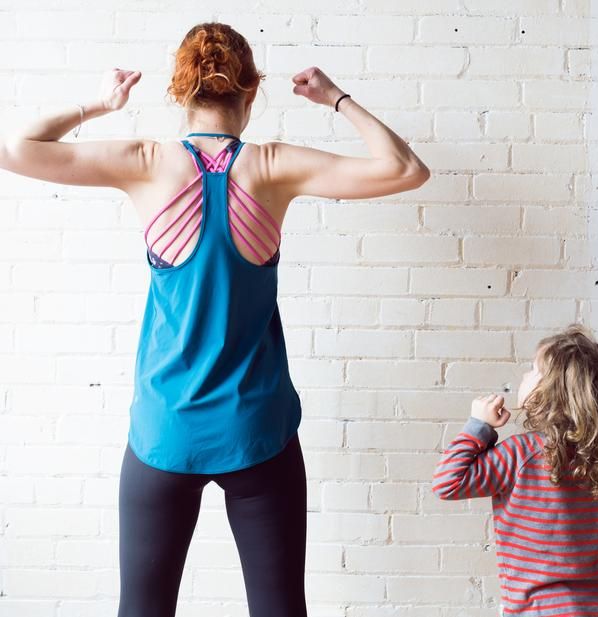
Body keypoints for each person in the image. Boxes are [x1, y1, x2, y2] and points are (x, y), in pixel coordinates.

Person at [0, 21, 430, 617]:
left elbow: (13, 148)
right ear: (251, 91)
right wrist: (336, 98)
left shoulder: (146, 161)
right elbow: (406, 169)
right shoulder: (276, 165)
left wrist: (99, 103)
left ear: (181, 93)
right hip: (257, 430)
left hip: (164, 430)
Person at [432, 323, 598, 617]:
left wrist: (479, 426)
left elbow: (447, 482)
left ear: (553, 390)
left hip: (536, 610)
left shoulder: (521, 455)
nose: (523, 375)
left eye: (533, 371)